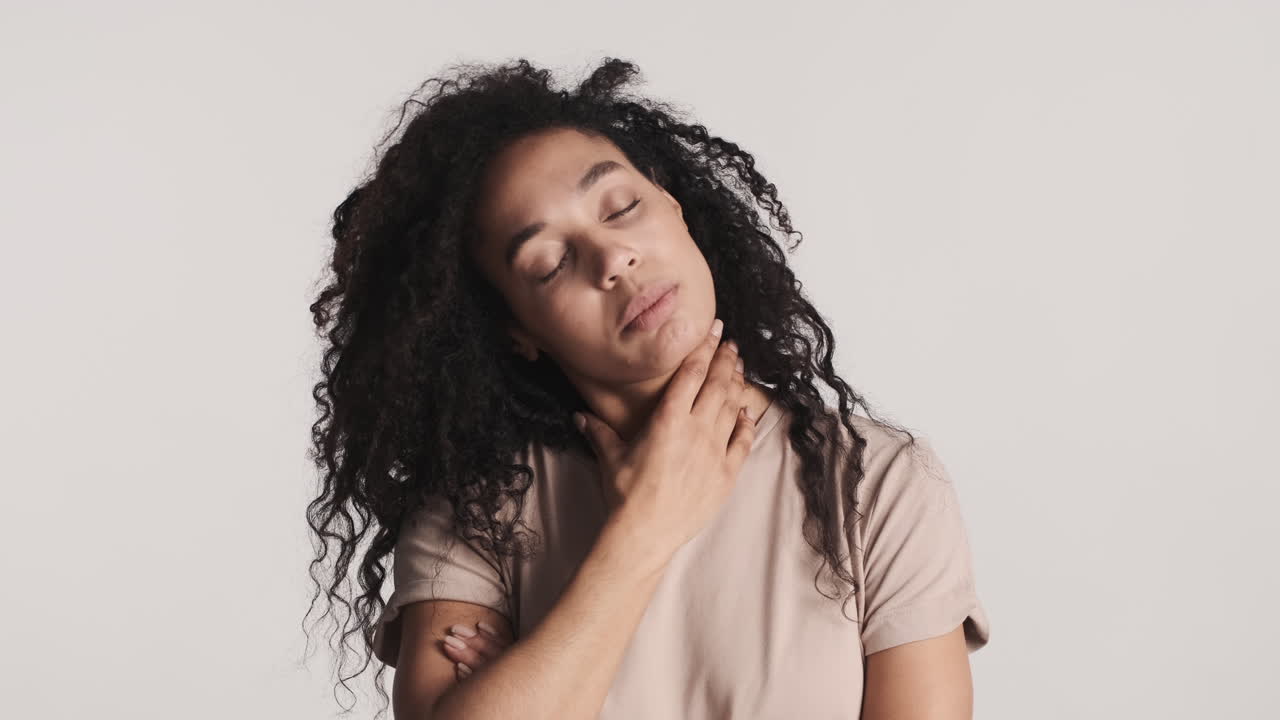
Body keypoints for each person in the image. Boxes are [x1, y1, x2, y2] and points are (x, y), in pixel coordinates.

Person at [306, 56, 991, 719]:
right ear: (518, 330)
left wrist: (541, 671)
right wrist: (645, 532)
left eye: (622, 206)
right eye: (548, 263)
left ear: (672, 202)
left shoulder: (876, 488)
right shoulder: (475, 511)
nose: (612, 259)